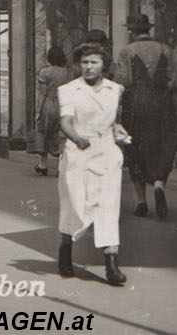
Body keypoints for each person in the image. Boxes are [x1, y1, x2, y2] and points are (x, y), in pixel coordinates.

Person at [57, 43, 130, 286]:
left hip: (106, 153)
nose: (88, 67)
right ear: (79, 65)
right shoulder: (68, 90)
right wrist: (77, 138)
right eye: (84, 62)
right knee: (74, 206)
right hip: (79, 153)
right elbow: (66, 121)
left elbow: (114, 121)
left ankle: (112, 265)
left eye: (94, 62)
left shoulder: (114, 90)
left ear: (103, 65)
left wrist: (119, 131)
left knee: (108, 207)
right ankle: (65, 250)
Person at [113, 13, 177, 220]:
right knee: (163, 145)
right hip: (163, 104)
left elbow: (123, 81)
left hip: (137, 105)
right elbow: (174, 81)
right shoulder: (165, 50)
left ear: (131, 31)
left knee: (135, 148)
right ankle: (159, 184)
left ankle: (141, 202)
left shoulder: (127, 52)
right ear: (148, 30)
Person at [34, 47, 75, 176]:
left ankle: (43, 164)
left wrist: (37, 110)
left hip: (49, 103)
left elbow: (42, 92)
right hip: (65, 104)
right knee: (62, 134)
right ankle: (60, 166)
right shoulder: (69, 73)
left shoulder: (45, 72)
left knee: (43, 132)